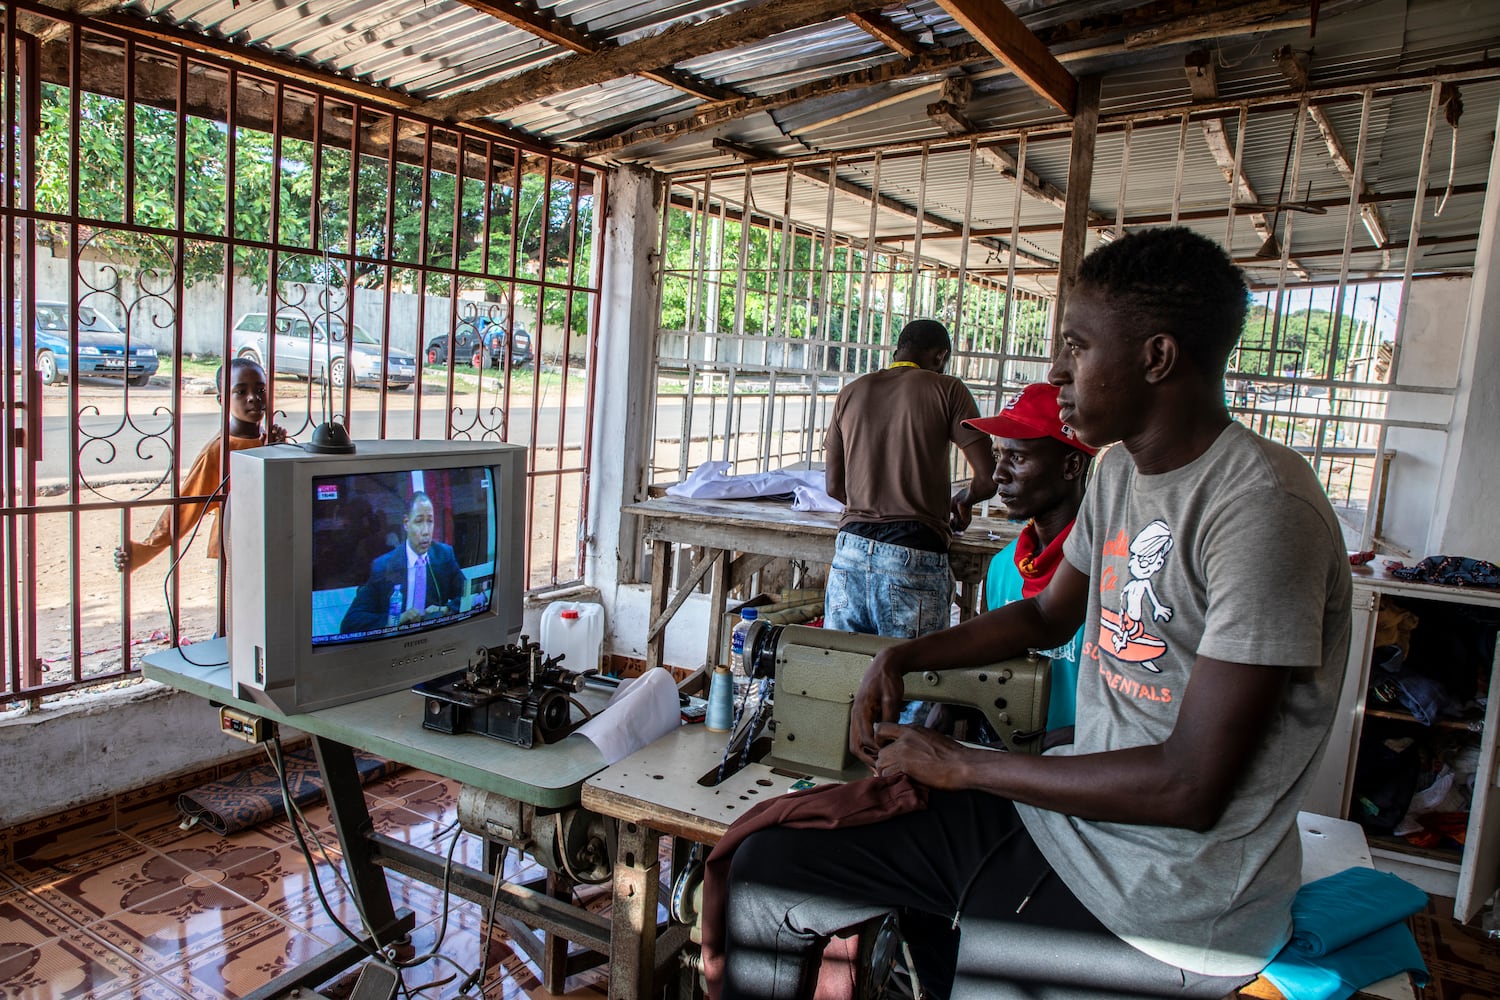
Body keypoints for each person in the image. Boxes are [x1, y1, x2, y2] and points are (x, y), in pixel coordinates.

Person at [717, 227, 1353, 1000]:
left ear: (1156, 358)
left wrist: (962, 765)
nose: (1057, 371)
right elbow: (1048, 616)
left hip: (1169, 897)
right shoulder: (1120, 473)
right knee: (769, 870)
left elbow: (1191, 786)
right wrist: (905, 658)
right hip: (1066, 822)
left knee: (980, 958)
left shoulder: (1261, 510)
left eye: (1077, 347)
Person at [822, 318, 997, 639]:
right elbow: (989, 478)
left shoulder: (851, 392)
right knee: (914, 680)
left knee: (842, 679)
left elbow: (834, 486)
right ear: (941, 356)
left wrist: (873, 499)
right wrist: (965, 499)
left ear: (898, 350)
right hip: (914, 555)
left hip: (850, 553)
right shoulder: (948, 389)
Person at [971, 381, 1095, 738]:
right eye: (998, 456)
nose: (998, 475)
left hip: (1085, 769)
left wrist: (1070, 737)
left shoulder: (1108, 571)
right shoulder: (1003, 567)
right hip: (1009, 764)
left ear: (1071, 465)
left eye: (1018, 458)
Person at [115, 357, 286, 573]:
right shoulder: (219, 450)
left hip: (275, 544)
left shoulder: (266, 438)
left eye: (260, 390)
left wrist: (279, 449)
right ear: (222, 399)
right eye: (241, 392)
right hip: (237, 549)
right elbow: (187, 505)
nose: (253, 398)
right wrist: (146, 549)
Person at [339, 492, 468, 632]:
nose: (426, 531)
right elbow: (351, 623)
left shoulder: (443, 555)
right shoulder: (383, 566)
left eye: (430, 521)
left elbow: (469, 595)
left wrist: (445, 610)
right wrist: (397, 619)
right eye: (419, 521)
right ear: (406, 523)